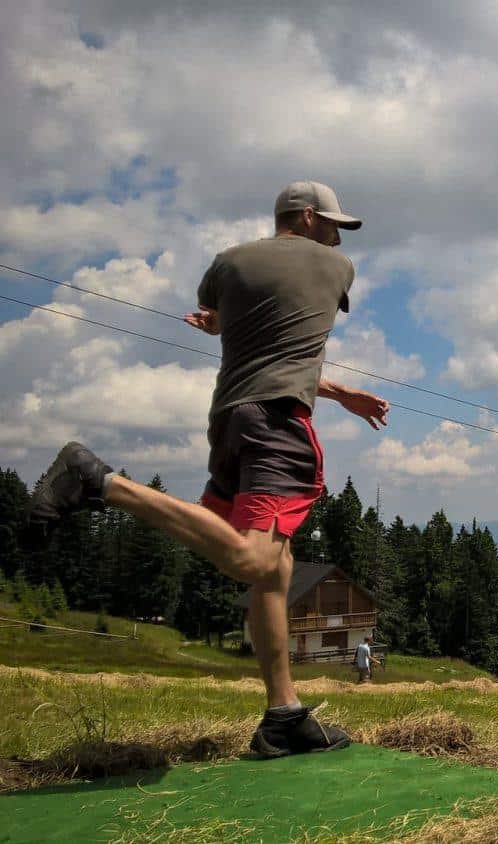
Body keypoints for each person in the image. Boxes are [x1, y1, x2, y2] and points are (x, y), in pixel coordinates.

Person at [29, 181, 389, 758]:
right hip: (276, 426)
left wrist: (331, 386)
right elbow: (296, 345)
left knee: (275, 569)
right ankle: (97, 479)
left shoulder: (226, 264)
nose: (336, 234)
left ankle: (282, 716)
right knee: (252, 556)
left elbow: (252, 337)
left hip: (229, 422)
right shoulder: (335, 266)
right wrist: (334, 387)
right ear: (304, 216)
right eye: (330, 222)